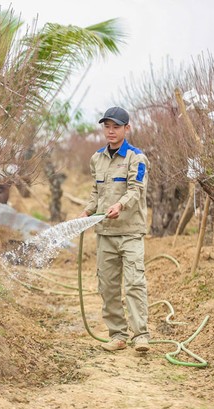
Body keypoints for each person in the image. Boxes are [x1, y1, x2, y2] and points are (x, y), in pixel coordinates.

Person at [79, 106, 150, 352]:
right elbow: (96, 192)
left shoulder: (136, 158)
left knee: (133, 283)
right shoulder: (96, 159)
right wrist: (87, 211)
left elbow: (136, 189)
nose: (110, 131)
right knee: (107, 285)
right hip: (105, 232)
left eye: (116, 127)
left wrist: (120, 204)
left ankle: (141, 335)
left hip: (130, 232)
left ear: (126, 129)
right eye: (107, 127)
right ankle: (118, 334)